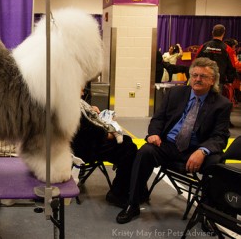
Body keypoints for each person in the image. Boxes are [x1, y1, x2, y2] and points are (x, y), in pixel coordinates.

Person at [116, 57, 231, 224]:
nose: (197, 79)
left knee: (216, 162)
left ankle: (207, 212)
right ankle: (132, 203)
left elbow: (220, 136)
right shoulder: (175, 93)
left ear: (213, 80)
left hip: (195, 150)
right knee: (145, 152)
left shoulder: (222, 104)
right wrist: (153, 134)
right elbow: (158, 119)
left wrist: (202, 151)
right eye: (194, 75)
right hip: (168, 145)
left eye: (203, 76)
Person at [71, 86, 139, 208]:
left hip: (81, 144)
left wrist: (91, 110)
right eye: (81, 87)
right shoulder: (73, 107)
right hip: (84, 150)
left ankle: (127, 187)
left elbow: (87, 125)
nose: (83, 91)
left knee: (127, 143)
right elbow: (90, 132)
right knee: (129, 148)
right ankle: (118, 193)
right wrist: (110, 133)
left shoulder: (70, 103)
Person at [196, 24, 237, 93]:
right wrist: (230, 80)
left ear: (212, 33)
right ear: (223, 34)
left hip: (203, 78)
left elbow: (195, 62)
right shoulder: (228, 49)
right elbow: (232, 66)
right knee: (216, 102)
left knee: (203, 101)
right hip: (218, 81)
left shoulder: (203, 46)